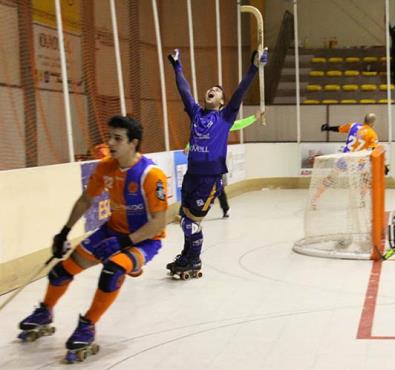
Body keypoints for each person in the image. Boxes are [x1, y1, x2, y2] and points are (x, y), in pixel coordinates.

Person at [18, 116, 168, 358]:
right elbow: (86, 199)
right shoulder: (106, 166)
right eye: (109, 136)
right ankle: (45, 312)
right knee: (60, 272)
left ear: (133, 143)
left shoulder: (151, 175)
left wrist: (123, 243)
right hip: (111, 231)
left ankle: (87, 325)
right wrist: (64, 232)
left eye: (117, 138)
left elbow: (158, 223)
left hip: (144, 240)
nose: (110, 142)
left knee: (112, 271)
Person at [166, 47, 268, 278]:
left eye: (218, 91)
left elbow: (241, 90)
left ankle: (194, 260)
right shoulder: (196, 113)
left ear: (222, 101)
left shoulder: (225, 116)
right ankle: (186, 255)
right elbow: (184, 90)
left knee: (192, 222)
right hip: (192, 175)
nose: (212, 90)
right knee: (185, 219)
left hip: (210, 178)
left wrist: (254, 67)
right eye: (210, 89)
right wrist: (177, 65)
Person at [312, 113, 379, 208]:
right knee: (366, 178)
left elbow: (339, 128)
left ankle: (314, 199)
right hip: (359, 162)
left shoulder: (353, 126)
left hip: (345, 159)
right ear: (373, 123)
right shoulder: (372, 134)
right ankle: (362, 200)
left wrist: (328, 128)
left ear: (364, 120)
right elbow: (373, 151)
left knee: (330, 178)